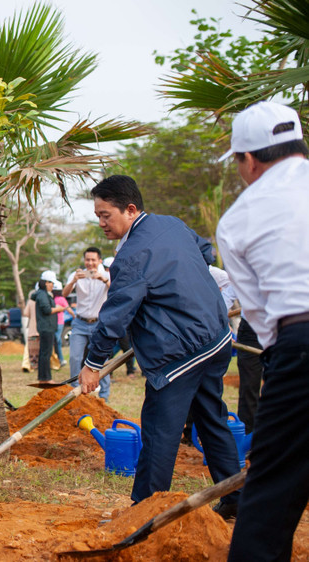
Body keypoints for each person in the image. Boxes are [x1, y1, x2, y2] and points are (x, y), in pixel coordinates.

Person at [77, 175, 241, 513]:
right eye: (98, 216)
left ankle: (145, 510)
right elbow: (205, 251)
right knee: (212, 420)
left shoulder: (131, 257)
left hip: (180, 355)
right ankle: (236, 499)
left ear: (130, 209)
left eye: (106, 215)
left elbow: (115, 317)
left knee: (159, 429)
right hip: (216, 338)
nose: (101, 223)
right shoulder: (172, 224)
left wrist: (92, 364)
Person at [216, 101, 309, 561]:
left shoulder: (237, 219)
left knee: (271, 494)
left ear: (249, 159)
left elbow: (260, 317)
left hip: (300, 342)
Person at [63, 246, 111, 401]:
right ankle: (74, 394)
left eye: (93, 260)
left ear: (100, 261)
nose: (90, 263)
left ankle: (104, 396)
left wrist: (103, 279)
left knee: (102, 360)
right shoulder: (77, 275)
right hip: (80, 323)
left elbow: (117, 291)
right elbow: (64, 294)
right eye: (87, 260)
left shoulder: (107, 275)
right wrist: (74, 281)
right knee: (75, 358)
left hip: (98, 323)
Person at [35, 271, 63, 382]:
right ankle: (46, 378)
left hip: (47, 327)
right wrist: (58, 308)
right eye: (51, 283)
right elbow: (46, 310)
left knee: (44, 353)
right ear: (46, 283)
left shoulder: (43, 294)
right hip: (46, 327)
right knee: (46, 353)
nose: (52, 286)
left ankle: (43, 377)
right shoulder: (42, 294)